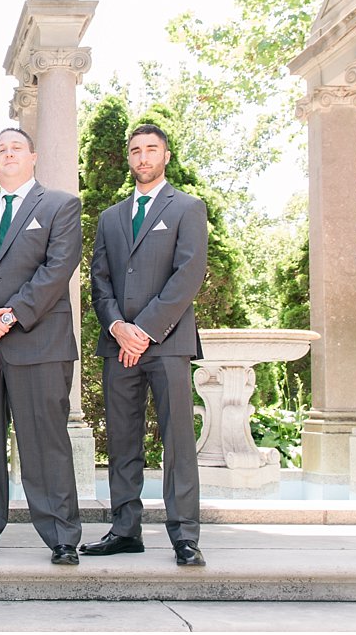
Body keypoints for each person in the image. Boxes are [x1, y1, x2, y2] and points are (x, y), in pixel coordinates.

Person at [0, 127, 83, 566]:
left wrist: (9, 314)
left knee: (46, 442)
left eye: (16, 148)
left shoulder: (60, 205)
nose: (8, 154)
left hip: (38, 341)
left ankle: (62, 536)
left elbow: (57, 268)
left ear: (33, 157)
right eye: (1, 149)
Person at [83, 123, 209, 567]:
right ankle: (124, 529)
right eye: (135, 150)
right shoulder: (110, 217)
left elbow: (187, 275)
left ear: (166, 156)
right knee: (122, 439)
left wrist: (146, 330)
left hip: (168, 344)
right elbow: (99, 281)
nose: (142, 158)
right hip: (119, 345)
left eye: (151, 150)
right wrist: (118, 327)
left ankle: (184, 536)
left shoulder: (188, 208)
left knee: (177, 440)